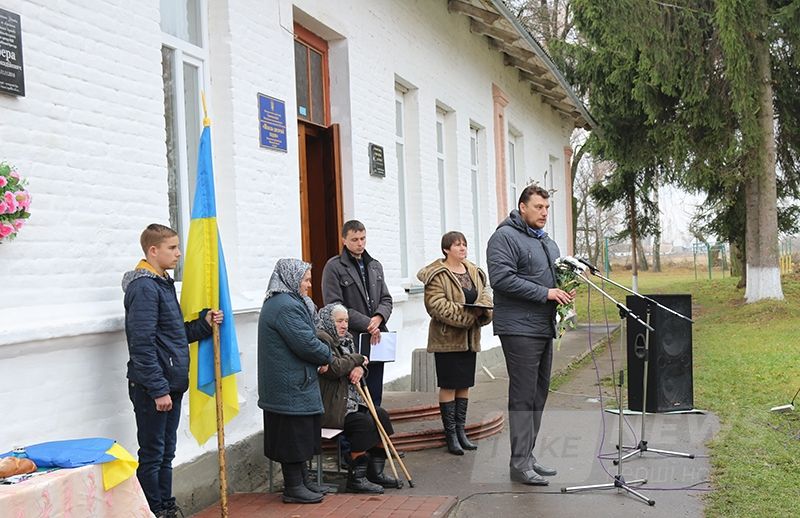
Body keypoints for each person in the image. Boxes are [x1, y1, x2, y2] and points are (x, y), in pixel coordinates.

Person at [122, 223, 223, 518]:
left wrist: (204, 324)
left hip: (170, 384)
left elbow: (173, 335)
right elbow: (141, 344)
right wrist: (158, 389)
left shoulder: (162, 283)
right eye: (172, 248)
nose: (179, 253)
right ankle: (152, 511)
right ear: (153, 251)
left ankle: (165, 506)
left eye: (178, 247)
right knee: (153, 454)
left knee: (166, 452)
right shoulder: (144, 287)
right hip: (153, 388)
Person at [486, 185, 575, 486]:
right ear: (522, 207)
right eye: (538, 207)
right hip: (518, 328)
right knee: (523, 396)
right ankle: (519, 463)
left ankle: (528, 455)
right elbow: (501, 279)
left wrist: (564, 290)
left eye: (547, 208)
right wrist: (546, 293)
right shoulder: (504, 237)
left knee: (538, 394)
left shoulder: (546, 242)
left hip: (543, 326)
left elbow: (551, 279)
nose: (544, 213)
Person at [258, 258, 333, 504]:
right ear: (291, 279)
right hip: (289, 387)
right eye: (306, 280)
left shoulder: (286, 302)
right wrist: (327, 355)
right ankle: (294, 487)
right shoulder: (285, 306)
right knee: (292, 438)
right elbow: (306, 343)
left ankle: (303, 481)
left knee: (301, 435)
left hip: (293, 384)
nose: (309, 285)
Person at [418, 231, 493, 456]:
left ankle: (461, 432)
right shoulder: (437, 275)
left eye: (464, 244)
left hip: (470, 340)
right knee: (449, 385)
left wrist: (483, 310)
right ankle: (450, 435)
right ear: (446, 249)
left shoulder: (474, 271)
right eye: (457, 245)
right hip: (447, 340)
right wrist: (469, 316)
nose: (462, 248)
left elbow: (485, 295)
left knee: (464, 385)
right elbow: (436, 305)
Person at [316, 303, 402, 494]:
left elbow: (355, 366)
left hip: (351, 401)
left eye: (346, 321)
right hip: (332, 406)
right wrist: (358, 360)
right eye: (339, 321)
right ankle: (356, 477)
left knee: (380, 415)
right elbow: (334, 368)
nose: (344, 325)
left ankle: (375, 472)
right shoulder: (322, 339)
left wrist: (360, 367)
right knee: (362, 423)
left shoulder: (347, 339)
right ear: (328, 321)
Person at [321, 220, 393, 407]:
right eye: (354, 239)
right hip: (351, 339)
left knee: (375, 394)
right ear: (344, 240)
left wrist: (378, 318)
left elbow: (386, 299)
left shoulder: (375, 266)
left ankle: (375, 425)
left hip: (376, 339)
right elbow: (334, 306)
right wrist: (368, 323)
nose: (360, 243)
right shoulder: (334, 267)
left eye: (363, 238)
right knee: (355, 396)